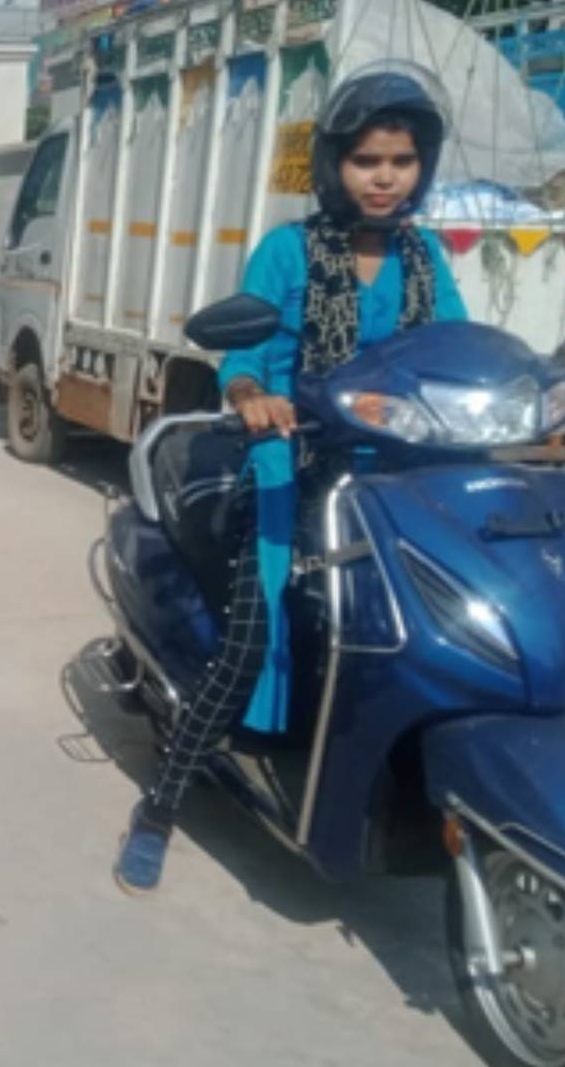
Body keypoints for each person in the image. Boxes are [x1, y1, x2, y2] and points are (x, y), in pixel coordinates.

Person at [110, 64, 468, 896]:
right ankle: (160, 806)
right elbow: (242, 354)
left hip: (397, 477)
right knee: (250, 634)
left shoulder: (425, 256)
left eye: (402, 162)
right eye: (367, 161)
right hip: (292, 466)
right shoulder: (291, 249)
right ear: (334, 165)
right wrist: (251, 397)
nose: (384, 178)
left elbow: (453, 344)